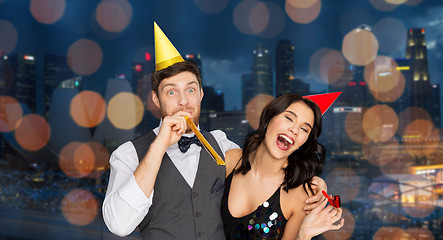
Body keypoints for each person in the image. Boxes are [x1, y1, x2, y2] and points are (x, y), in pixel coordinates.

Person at [102, 22, 328, 239]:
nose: (183, 101)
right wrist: (160, 145)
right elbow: (120, 226)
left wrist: (313, 183)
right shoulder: (128, 154)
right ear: (156, 99)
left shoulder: (222, 147)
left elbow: (266, 166)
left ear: (201, 94)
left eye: (190, 90)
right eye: (171, 92)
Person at [221, 93, 344, 239]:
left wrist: (304, 235)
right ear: (269, 118)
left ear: (304, 142)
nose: (295, 130)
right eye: (289, 118)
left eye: (304, 129)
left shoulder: (300, 195)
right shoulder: (230, 159)